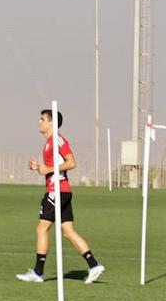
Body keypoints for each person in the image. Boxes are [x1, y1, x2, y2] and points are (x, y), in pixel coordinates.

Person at [16, 109, 105, 284]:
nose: (39, 122)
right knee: (68, 232)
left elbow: (71, 163)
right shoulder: (49, 143)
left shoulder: (57, 140)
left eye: (42, 119)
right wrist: (39, 167)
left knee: (41, 228)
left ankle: (38, 272)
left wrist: (47, 169)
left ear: (51, 123)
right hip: (61, 190)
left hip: (57, 190)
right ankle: (94, 265)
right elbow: (54, 166)